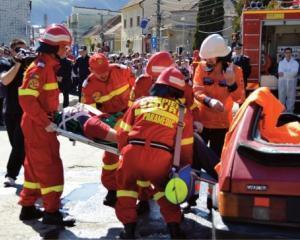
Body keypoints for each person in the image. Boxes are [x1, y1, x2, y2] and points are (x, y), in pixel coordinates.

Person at [116, 67, 193, 239]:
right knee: (164, 189)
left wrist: (123, 153)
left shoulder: (140, 103)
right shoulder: (183, 112)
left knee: (126, 189)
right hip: (160, 158)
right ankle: (174, 228)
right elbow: (185, 147)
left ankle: (128, 231)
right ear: (178, 91)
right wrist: (182, 170)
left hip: (132, 153)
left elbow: (122, 133)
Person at [18, 24, 75, 226]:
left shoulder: (47, 66)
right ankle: (52, 212)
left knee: (34, 167)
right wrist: (45, 122)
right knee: (49, 166)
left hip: (40, 122)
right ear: (54, 47)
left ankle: (28, 207)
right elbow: (26, 99)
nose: (66, 51)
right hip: (38, 124)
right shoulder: (39, 68)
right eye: (64, 47)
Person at [81, 53, 135, 207]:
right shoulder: (89, 85)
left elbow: (137, 90)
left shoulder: (122, 70)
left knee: (135, 154)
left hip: (129, 116)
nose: (104, 74)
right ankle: (112, 189)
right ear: (91, 69)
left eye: (105, 70)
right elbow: (89, 111)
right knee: (110, 156)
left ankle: (140, 191)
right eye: (99, 72)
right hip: (109, 120)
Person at [193, 34, 245, 157]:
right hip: (202, 123)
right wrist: (209, 101)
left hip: (222, 124)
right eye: (205, 58)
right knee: (196, 159)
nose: (207, 61)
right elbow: (196, 90)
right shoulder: (201, 68)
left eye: (209, 58)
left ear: (220, 55)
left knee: (216, 162)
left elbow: (239, 98)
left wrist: (232, 83)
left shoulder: (235, 71)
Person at [0, 39, 30, 187]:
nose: (21, 52)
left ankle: (11, 174)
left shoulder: (29, 65)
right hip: (10, 110)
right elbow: (5, 80)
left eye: (24, 49)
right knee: (16, 145)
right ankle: (30, 172)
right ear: (12, 51)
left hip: (25, 111)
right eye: (18, 49)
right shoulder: (6, 63)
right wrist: (18, 63)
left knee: (19, 144)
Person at [278, 47, 299, 113]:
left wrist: (284, 73)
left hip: (291, 84)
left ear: (291, 53)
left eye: (289, 52)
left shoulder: (295, 63)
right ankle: (282, 114)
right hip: (282, 84)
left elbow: (294, 73)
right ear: (284, 54)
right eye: (286, 53)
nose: (288, 54)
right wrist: (289, 74)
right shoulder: (281, 63)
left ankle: (290, 114)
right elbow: (280, 73)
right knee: (281, 99)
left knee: (291, 99)